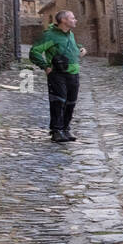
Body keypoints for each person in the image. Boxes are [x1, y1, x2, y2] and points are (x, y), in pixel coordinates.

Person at [29, 10, 86, 144]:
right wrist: (45, 66)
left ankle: (65, 129)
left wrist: (81, 48)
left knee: (71, 103)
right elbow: (34, 51)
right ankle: (56, 131)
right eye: (73, 18)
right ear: (64, 20)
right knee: (58, 102)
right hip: (58, 74)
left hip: (73, 73)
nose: (75, 20)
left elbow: (71, 46)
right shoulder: (50, 35)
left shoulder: (70, 34)